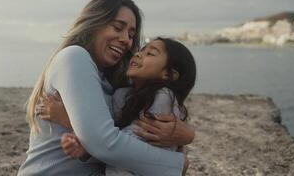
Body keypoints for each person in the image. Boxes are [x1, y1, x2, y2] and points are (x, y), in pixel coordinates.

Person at [18, 0, 193, 176]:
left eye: (131, 34)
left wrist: (187, 134)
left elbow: (120, 135)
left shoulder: (115, 82)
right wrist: (177, 164)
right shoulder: (74, 57)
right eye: (118, 27)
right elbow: (103, 143)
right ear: (94, 25)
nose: (126, 39)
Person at [40, 37, 196, 176]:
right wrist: (85, 143)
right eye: (141, 50)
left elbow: (126, 142)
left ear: (168, 75)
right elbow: (108, 132)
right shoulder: (122, 94)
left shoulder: (163, 97)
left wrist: (72, 124)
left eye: (151, 54)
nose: (138, 54)